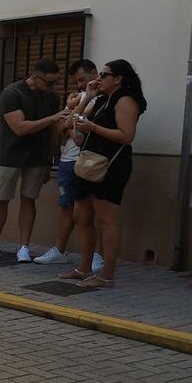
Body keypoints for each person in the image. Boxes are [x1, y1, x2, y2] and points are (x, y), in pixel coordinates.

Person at [61, 60, 146, 288]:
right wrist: (87, 98)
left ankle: (107, 276)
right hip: (89, 161)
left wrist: (93, 128)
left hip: (110, 164)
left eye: (104, 75)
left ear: (118, 79)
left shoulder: (125, 100)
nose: (98, 79)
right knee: (81, 216)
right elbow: (69, 122)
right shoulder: (101, 100)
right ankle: (84, 268)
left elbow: (126, 136)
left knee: (105, 220)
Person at [0, 59, 67, 262]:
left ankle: (24, 247)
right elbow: (19, 127)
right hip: (10, 154)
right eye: (49, 82)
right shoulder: (12, 93)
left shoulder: (51, 97)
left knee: (29, 200)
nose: (52, 86)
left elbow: (52, 131)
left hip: (37, 156)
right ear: (35, 77)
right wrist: (53, 118)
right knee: (1, 199)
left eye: (55, 82)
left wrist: (50, 160)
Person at [35, 59, 105, 271]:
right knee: (67, 206)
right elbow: (62, 127)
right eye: (76, 82)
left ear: (94, 73)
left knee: (94, 210)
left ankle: (97, 255)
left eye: (82, 80)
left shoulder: (102, 98)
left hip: (90, 161)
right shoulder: (75, 99)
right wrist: (71, 120)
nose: (80, 85)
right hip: (68, 160)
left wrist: (74, 116)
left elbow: (81, 122)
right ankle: (59, 250)